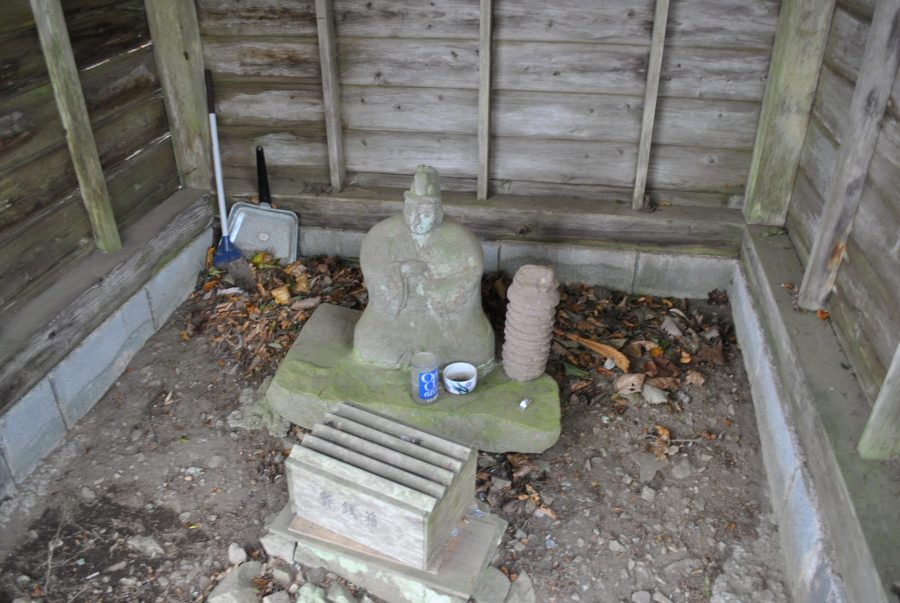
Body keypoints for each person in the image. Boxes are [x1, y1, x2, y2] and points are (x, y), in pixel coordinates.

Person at [352, 166, 495, 370]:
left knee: (476, 346)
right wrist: (398, 273)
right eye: (411, 211)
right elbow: (374, 268)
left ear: (438, 214)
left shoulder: (461, 239)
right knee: (371, 342)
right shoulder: (382, 234)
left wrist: (432, 284)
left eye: (425, 213)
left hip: (445, 320)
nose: (416, 219)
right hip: (395, 316)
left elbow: (468, 278)